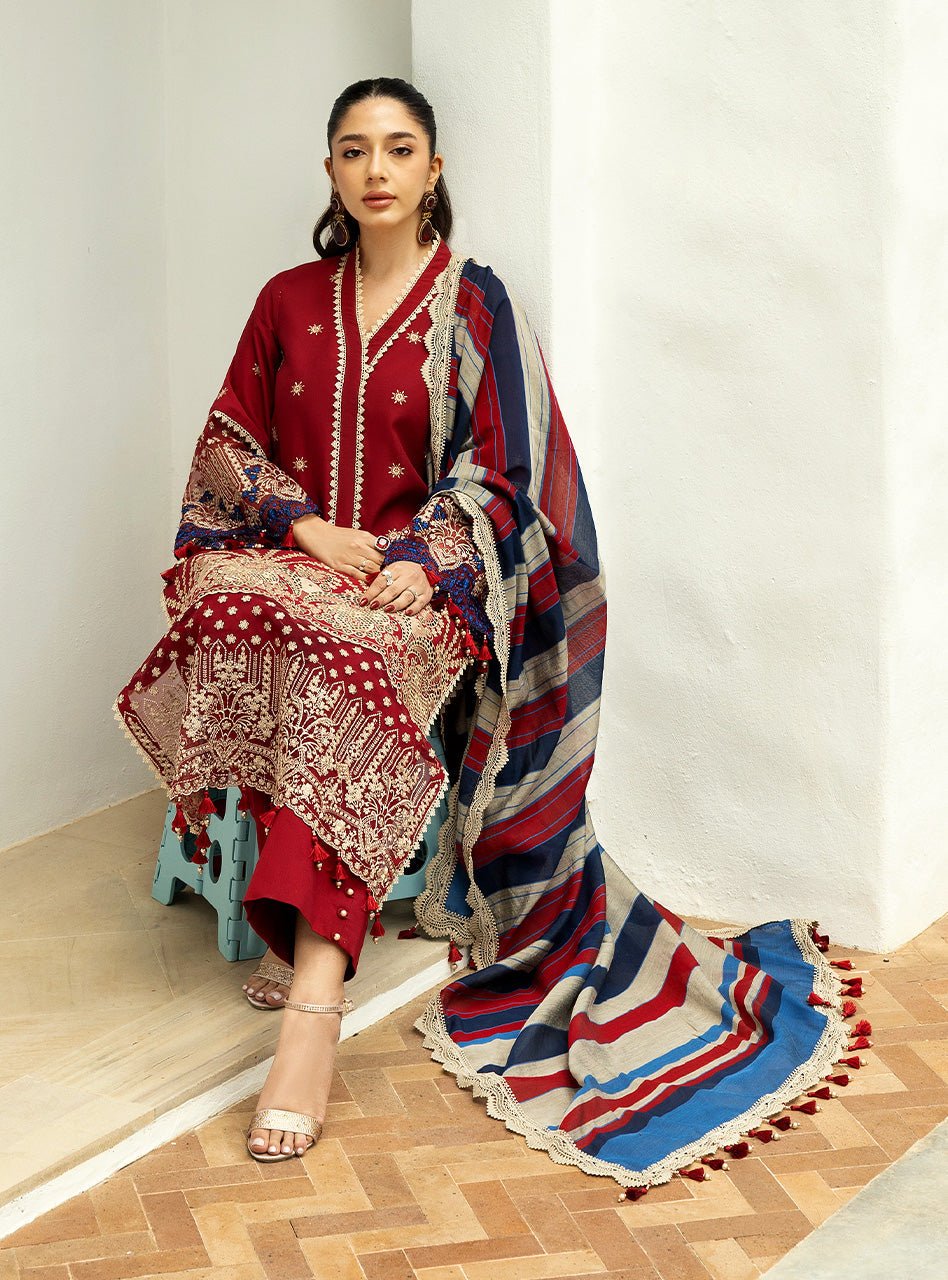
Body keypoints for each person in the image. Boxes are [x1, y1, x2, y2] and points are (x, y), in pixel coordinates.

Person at [114, 77, 867, 1193]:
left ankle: (313, 993)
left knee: (339, 656)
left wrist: (427, 560)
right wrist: (306, 527)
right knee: (233, 605)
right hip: (301, 560)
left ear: (434, 168)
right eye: (355, 150)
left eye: (399, 148)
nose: (376, 169)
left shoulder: (474, 304)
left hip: (416, 595)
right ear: (329, 171)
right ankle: (290, 901)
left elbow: (508, 473)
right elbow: (228, 443)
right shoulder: (286, 299)